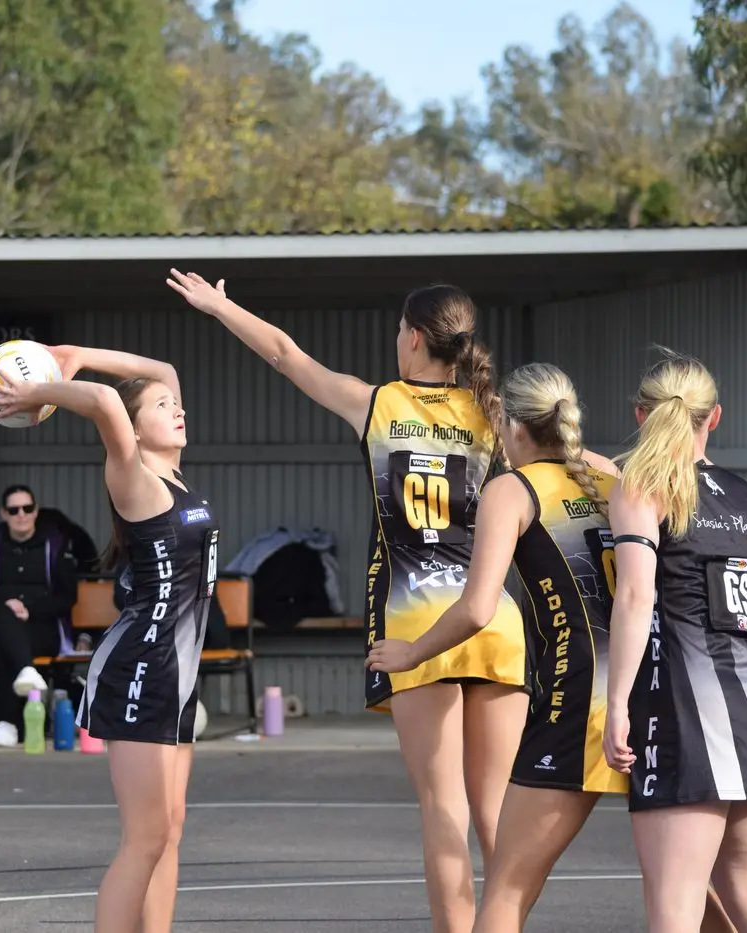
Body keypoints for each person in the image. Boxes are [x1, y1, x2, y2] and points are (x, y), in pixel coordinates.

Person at [168, 270, 526, 932]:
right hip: (492, 617)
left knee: (443, 806)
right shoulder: (491, 414)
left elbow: (285, 354)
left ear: (413, 338)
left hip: (416, 623)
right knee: (497, 809)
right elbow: (561, 462)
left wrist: (221, 307)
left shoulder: (378, 403)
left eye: (399, 329)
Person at [364, 363, 736, 933]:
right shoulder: (612, 476)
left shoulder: (512, 490)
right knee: (685, 893)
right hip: (656, 690)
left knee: (507, 889)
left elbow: (477, 608)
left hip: (582, 698)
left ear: (512, 427)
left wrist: (410, 653)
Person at [0, 343, 215, 933]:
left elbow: (163, 370)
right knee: (145, 837)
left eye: (175, 406)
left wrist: (79, 353)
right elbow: (108, 402)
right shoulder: (133, 477)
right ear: (133, 432)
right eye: (163, 408)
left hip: (178, 669)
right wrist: (37, 393)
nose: (178, 409)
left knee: (170, 830)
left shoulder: (175, 477)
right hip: (142, 666)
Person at [603, 349, 747, 933]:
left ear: (640, 414)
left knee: (675, 907)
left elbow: (635, 596)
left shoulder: (643, 488)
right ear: (714, 417)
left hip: (684, 714)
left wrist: (617, 704)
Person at [0, 483, 79, 734]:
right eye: (14, 510)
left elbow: (67, 596)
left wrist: (31, 610)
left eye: (27, 508)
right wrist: (5, 606)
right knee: (3, 619)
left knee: (4, 645)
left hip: (40, 628)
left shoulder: (54, 547)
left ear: (36, 511)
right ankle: (27, 674)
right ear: (4, 513)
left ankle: (9, 724)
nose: (21, 515)